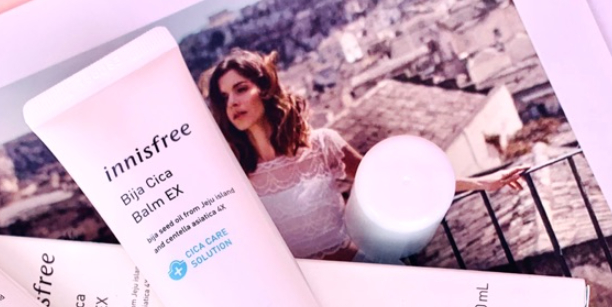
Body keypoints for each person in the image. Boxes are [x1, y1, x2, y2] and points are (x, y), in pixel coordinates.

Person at [205, 49, 527, 261]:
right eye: (224, 97)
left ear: (265, 90)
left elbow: (391, 181)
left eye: (240, 88)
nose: (233, 102)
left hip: (365, 272)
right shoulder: (235, 176)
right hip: (310, 300)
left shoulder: (322, 145)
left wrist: (482, 183)